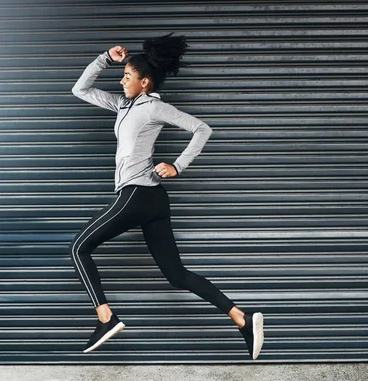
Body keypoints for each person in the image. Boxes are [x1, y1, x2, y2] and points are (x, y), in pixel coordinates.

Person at [70, 32, 264, 360]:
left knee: (78, 247)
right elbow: (80, 89)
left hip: (137, 194)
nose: (122, 81)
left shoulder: (154, 108)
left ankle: (106, 318)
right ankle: (243, 319)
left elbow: (202, 128)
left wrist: (177, 165)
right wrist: (105, 58)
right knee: (176, 275)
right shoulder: (123, 105)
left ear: (145, 82)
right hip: (152, 200)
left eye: (128, 76)